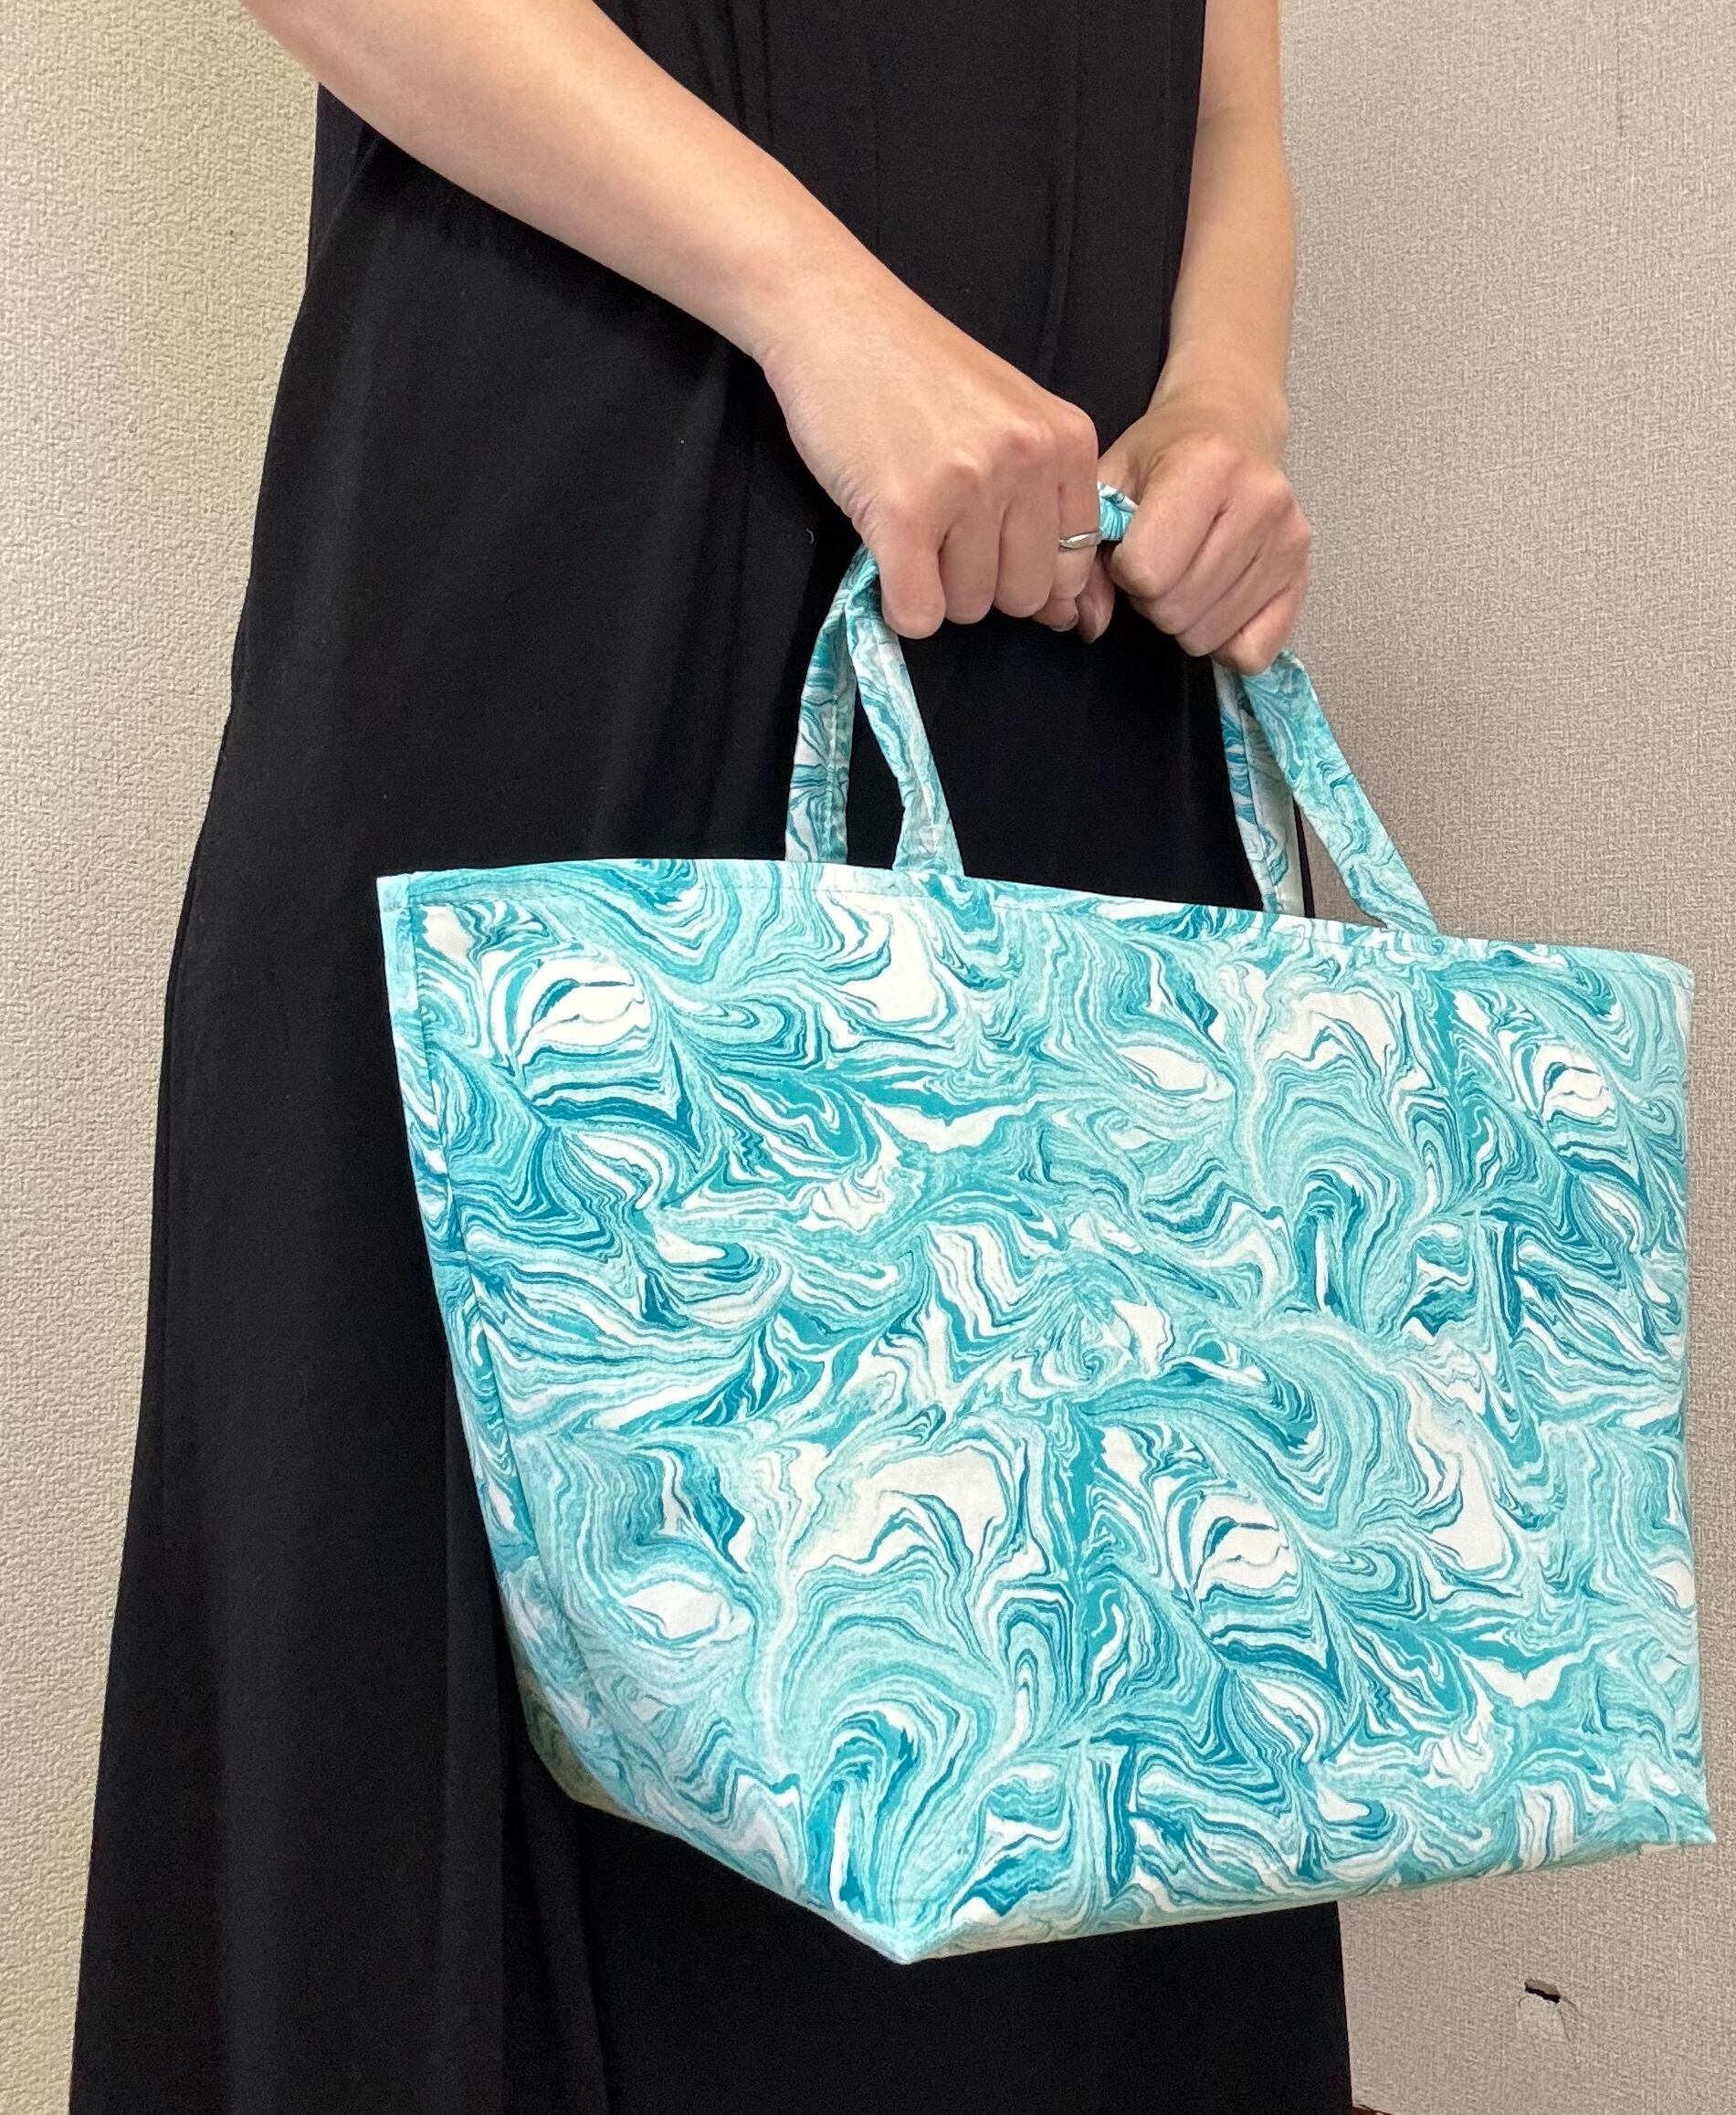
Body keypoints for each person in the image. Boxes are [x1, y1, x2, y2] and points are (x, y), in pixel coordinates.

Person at [72, 0, 1349, 2107]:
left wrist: (1226, 395)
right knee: (484, 1646)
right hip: (578, 552)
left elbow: (1224, 91)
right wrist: (814, 303)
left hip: (1065, 630)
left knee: (1072, 1695)